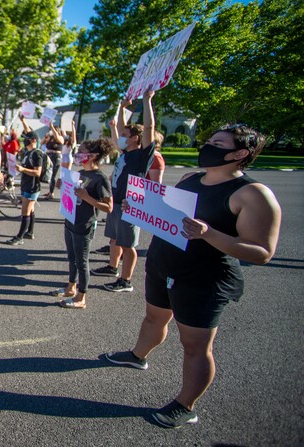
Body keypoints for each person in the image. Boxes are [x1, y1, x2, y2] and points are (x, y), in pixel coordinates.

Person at [104, 124, 281, 429]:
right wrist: (138, 206)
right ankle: (137, 355)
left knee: (195, 346)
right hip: (164, 265)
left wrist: (209, 233)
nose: (208, 145)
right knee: (153, 319)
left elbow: (261, 252)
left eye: (217, 142)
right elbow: (166, 215)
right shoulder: (190, 179)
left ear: (240, 153)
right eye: (209, 140)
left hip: (204, 278)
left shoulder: (252, 194)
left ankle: (185, 405)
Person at [90, 90, 157, 292]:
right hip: (116, 203)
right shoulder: (125, 153)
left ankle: (125, 281)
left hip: (130, 204)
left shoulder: (142, 155)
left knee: (128, 245)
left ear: (137, 138)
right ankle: (113, 268)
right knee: (114, 239)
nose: (121, 138)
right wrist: (122, 108)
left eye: (126, 136)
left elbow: (150, 127)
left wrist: (147, 100)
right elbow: (119, 127)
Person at [52, 138, 113, 308]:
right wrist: (62, 185)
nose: (78, 155)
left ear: (93, 156)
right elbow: (72, 192)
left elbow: (109, 207)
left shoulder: (100, 178)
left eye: (82, 152)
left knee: (82, 261)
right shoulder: (80, 173)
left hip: (84, 225)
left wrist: (87, 197)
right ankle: (71, 287)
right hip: (71, 221)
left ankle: (81, 297)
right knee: (72, 258)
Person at [5, 133, 42, 246]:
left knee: (25, 211)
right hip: (26, 184)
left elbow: (38, 172)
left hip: (32, 186)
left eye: (26, 139)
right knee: (30, 210)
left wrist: (22, 169)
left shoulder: (37, 154)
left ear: (33, 140)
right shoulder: (28, 153)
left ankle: (19, 237)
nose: (24, 141)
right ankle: (29, 232)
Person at [42, 124, 65, 200]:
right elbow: (42, 142)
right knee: (48, 174)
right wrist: (46, 136)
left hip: (56, 157)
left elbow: (57, 137)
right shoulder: (50, 138)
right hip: (49, 156)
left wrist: (52, 127)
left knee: (53, 176)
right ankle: (49, 191)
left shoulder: (60, 138)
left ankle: (51, 193)